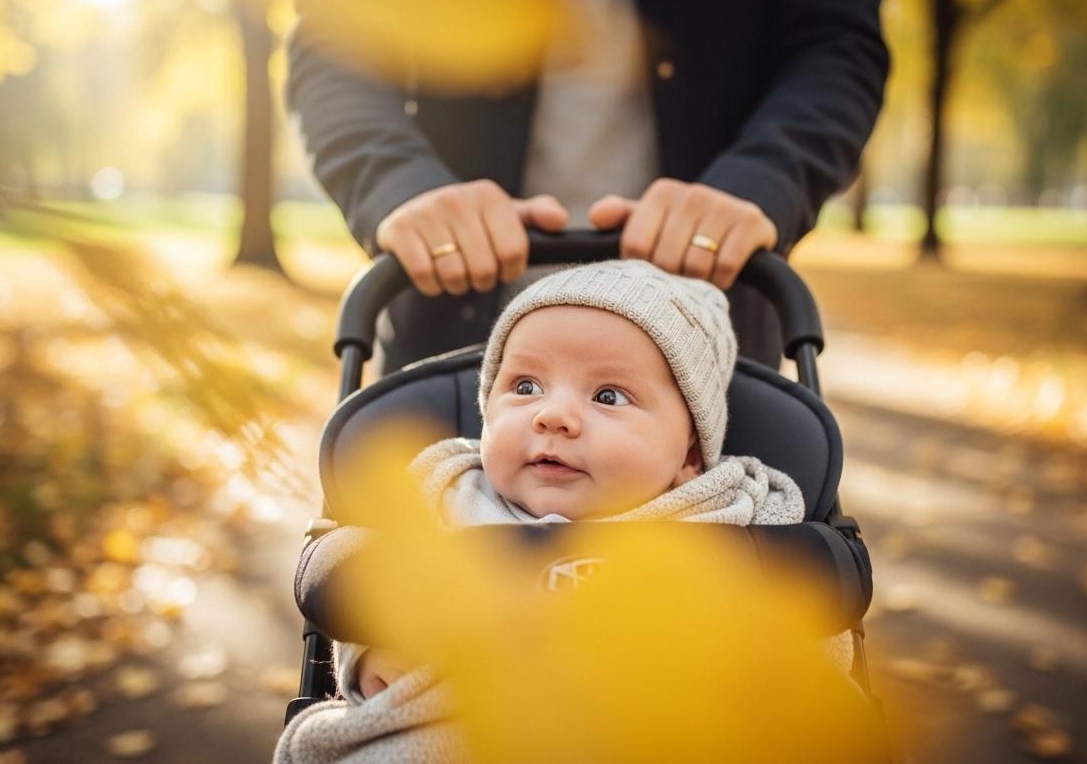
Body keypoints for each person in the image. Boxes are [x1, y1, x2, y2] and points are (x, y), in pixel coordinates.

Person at [273, 262, 849, 764]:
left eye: (607, 396)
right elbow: (373, 585)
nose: (554, 416)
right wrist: (374, 649)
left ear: (690, 453)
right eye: (525, 386)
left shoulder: (729, 513)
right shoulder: (445, 490)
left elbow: (808, 628)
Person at [285, 0, 889, 373]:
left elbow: (834, 45)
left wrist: (759, 181)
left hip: (709, 318)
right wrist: (399, 183)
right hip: (449, 320)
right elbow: (337, 43)